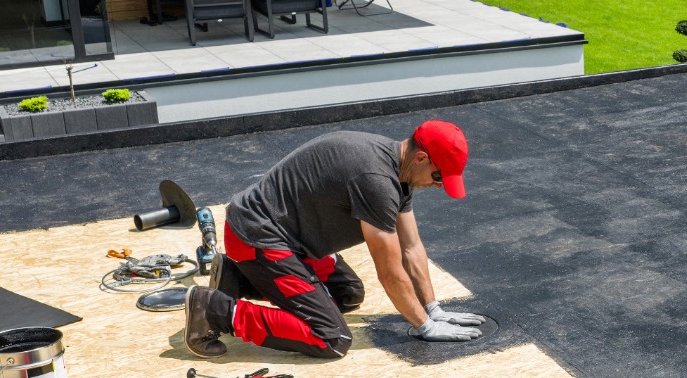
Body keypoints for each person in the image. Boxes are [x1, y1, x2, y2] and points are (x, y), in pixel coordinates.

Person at [183, 121, 484, 359]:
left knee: (347, 292)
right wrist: (425, 327)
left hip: (286, 237)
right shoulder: (377, 181)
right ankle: (213, 310)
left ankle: (235, 280)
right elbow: (390, 273)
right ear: (421, 157)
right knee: (330, 337)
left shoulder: (399, 170)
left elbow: (411, 246)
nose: (437, 185)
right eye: (438, 177)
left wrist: (433, 309)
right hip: (258, 237)